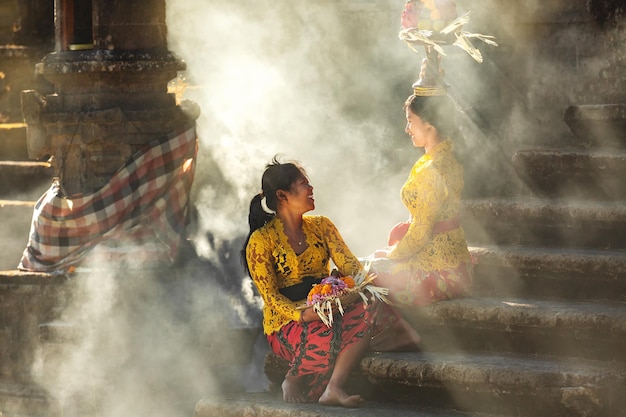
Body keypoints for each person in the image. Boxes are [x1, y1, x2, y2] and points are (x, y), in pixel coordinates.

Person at [242, 156, 419, 408]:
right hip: (287, 321)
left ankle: (333, 388)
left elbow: (352, 267)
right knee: (334, 333)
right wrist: (303, 314)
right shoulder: (261, 240)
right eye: (304, 184)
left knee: (371, 306)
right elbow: (270, 297)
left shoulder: (322, 226)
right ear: (282, 195)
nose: (311, 189)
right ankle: (292, 377)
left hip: (328, 310)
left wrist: (363, 288)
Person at [371, 91, 474, 307]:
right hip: (456, 271)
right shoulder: (447, 157)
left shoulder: (432, 168)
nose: (407, 129)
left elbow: (422, 230)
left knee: (363, 273)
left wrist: (393, 254)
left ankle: (390, 337)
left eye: (410, 121)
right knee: (372, 264)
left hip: (439, 277)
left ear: (428, 123)